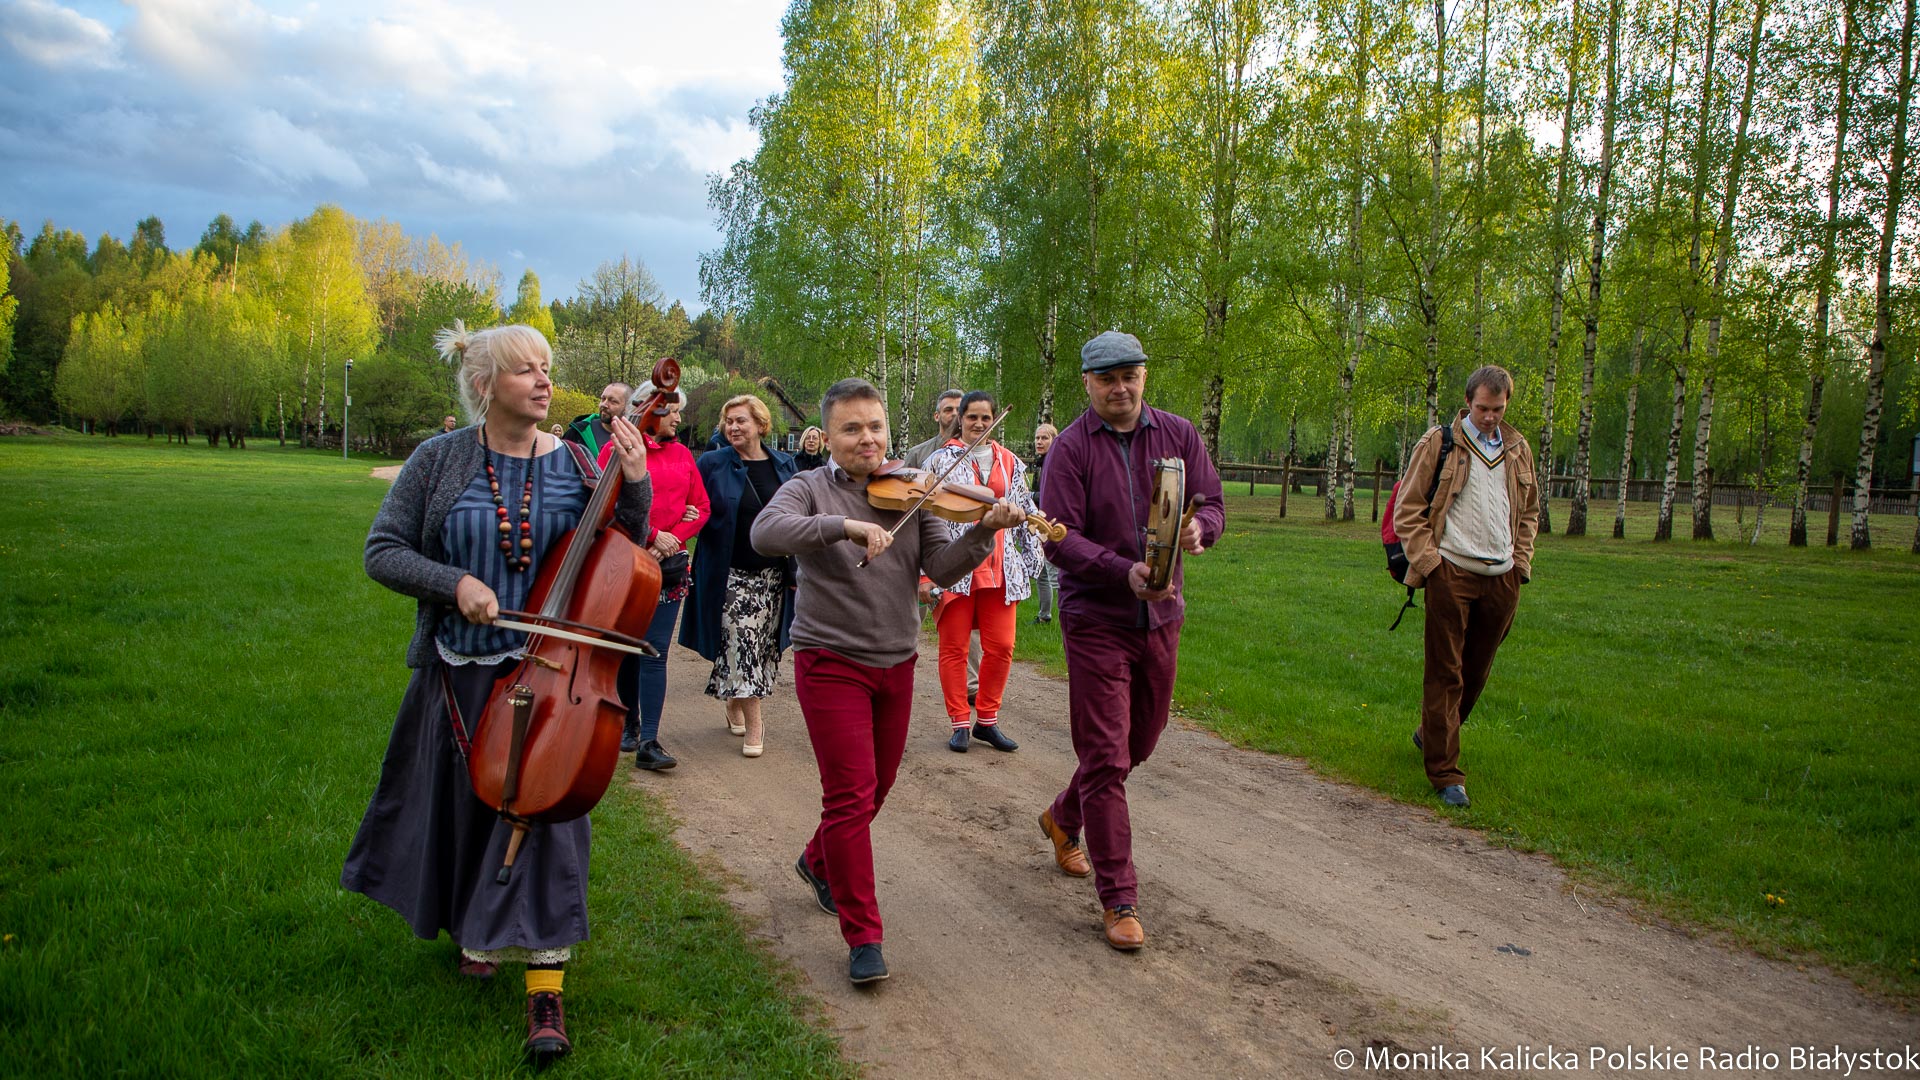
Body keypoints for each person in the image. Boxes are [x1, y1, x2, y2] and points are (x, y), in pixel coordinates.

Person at [345, 321, 653, 1061]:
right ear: (484, 386)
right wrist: (453, 584)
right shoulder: (438, 461)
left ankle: (545, 991)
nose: (544, 381)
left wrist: (634, 482)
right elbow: (383, 551)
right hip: (463, 670)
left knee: (547, 821)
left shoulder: (578, 461)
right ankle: (474, 928)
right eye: (525, 371)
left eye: (547, 368)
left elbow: (624, 551)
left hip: (555, 683)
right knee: (463, 812)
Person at [751, 377, 1023, 985]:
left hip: (897, 661)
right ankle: (863, 936)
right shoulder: (808, 488)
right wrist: (842, 527)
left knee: (876, 788)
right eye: (851, 428)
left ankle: (817, 860)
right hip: (830, 661)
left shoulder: (914, 492)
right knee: (849, 795)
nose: (867, 439)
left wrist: (984, 530)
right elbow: (765, 534)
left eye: (874, 426)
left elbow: (941, 566)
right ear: (829, 436)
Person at [1036, 330, 1224, 953]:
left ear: (1144, 376)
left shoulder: (1178, 433)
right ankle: (1120, 898)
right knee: (1108, 757)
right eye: (1107, 378)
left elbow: (1213, 502)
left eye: (1130, 375)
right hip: (1096, 619)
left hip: (1163, 617)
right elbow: (1059, 538)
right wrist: (1123, 572)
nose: (1121, 388)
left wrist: (1201, 530)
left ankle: (1064, 817)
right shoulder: (1068, 449)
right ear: (1087, 384)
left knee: (1138, 742)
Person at [1391, 365, 1539, 810]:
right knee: (1445, 672)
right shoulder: (1440, 443)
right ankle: (1445, 774)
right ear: (1468, 403)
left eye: (1498, 409)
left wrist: (1521, 564)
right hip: (1451, 570)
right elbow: (1408, 508)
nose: (1491, 416)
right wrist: (1431, 564)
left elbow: (1530, 512)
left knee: (1475, 672)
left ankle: (1431, 732)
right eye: (1483, 408)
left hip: (1502, 578)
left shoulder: (1517, 449)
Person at [919, 391, 1043, 753]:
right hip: (955, 566)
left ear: (993, 420)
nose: (978, 424)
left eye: (985, 418)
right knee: (954, 648)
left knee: (1002, 647)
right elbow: (925, 518)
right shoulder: (940, 461)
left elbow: (1024, 508)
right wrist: (925, 576)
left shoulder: (1009, 462)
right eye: (971, 417)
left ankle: (986, 720)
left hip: (1000, 568)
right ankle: (959, 721)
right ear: (960, 419)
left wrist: (1035, 542)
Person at [680, 394, 798, 757]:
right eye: (728, 421)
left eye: (741, 420)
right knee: (741, 640)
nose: (733, 426)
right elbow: (692, 504)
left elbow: (797, 517)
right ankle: (756, 724)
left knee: (760, 647)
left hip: (773, 575)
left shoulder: (784, 464)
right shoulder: (713, 463)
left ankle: (733, 699)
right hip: (729, 573)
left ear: (761, 425)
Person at [600, 382, 709, 771]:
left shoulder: (682, 454)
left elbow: (701, 506)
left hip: (670, 566)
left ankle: (649, 739)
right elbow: (605, 504)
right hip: (628, 562)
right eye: (674, 411)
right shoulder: (617, 449)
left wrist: (670, 539)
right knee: (628, 647)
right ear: (654, 410)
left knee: (656, 651)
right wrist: (649, 534)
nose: (679, 418)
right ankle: (627, 722)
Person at [1030, 423, 1060, 624]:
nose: (1039, 442)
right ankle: (1044, 616)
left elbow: (1054, 495)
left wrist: (1031, 495)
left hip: (1054, 524)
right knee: (1041, 570)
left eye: (1044, 438)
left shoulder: (1056, 463)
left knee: (1055, 574)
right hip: (1040, 523)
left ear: (1054, 440)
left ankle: (1067, 616)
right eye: (1037, 438)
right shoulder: (1041, 463)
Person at [562, 382, 630, 460]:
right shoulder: (577, 433)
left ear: (627, 407)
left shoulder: (636, 438)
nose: (604, 404)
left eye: (613, 401)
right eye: (603, 399)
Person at [900, 389, 963, 468]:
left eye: (959, 410)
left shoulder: (975, 451)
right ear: (937, 416)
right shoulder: (916, 454)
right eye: (948, 410)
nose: (954, 413)